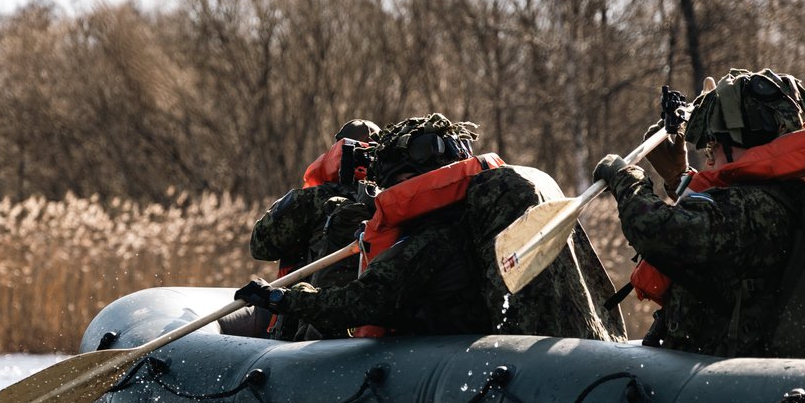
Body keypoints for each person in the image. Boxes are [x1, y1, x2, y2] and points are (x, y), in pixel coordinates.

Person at [236, 114, 627, 341]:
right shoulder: (478, 213)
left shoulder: (429, 239)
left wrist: (284, 299)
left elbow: (362, 303)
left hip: (446, 361)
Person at [593, 67, 805, 357]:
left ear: (748, 138)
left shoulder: (753, 209)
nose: (709, 147)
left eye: (717, 138)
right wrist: (680, 179)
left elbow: (658, 231)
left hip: (719, 380)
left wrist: (625, 178)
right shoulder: (791, 195)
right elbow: (717, 227)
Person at [247, 119, 382, 340]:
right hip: (367, 330)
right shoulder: (392, 202)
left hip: (306, 327)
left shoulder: (315, 199)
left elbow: (260, 246)